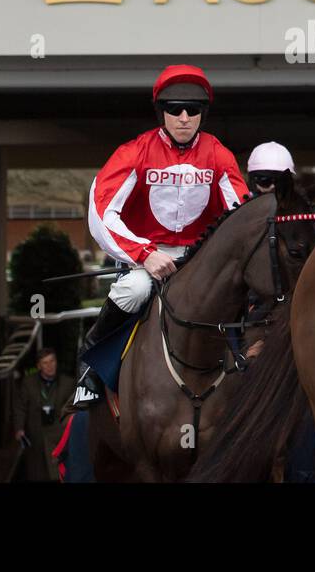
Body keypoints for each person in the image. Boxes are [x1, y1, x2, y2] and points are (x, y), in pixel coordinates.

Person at [72, 64, 249, 405]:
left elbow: (240, 216)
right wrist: (144, 255)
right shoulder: (134, 153)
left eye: (193, 110)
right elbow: (100, 211)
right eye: (175, 109)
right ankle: (91, 367)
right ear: (161, 113)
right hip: (148, 257)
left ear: (202, 114)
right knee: (134, 289)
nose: (184, 117)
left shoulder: (219, 155)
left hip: (200, 259)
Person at [12, 348, 75, 482]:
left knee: (59, 472)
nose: (50, 366)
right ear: (39, 366)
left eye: (52, 361)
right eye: (45, 363)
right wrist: (19, 428)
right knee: (37, 472)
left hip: (59, 434)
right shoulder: (28, 383)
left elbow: (74, 408)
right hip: (36, 434)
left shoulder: (68, 383)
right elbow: (20, 407)